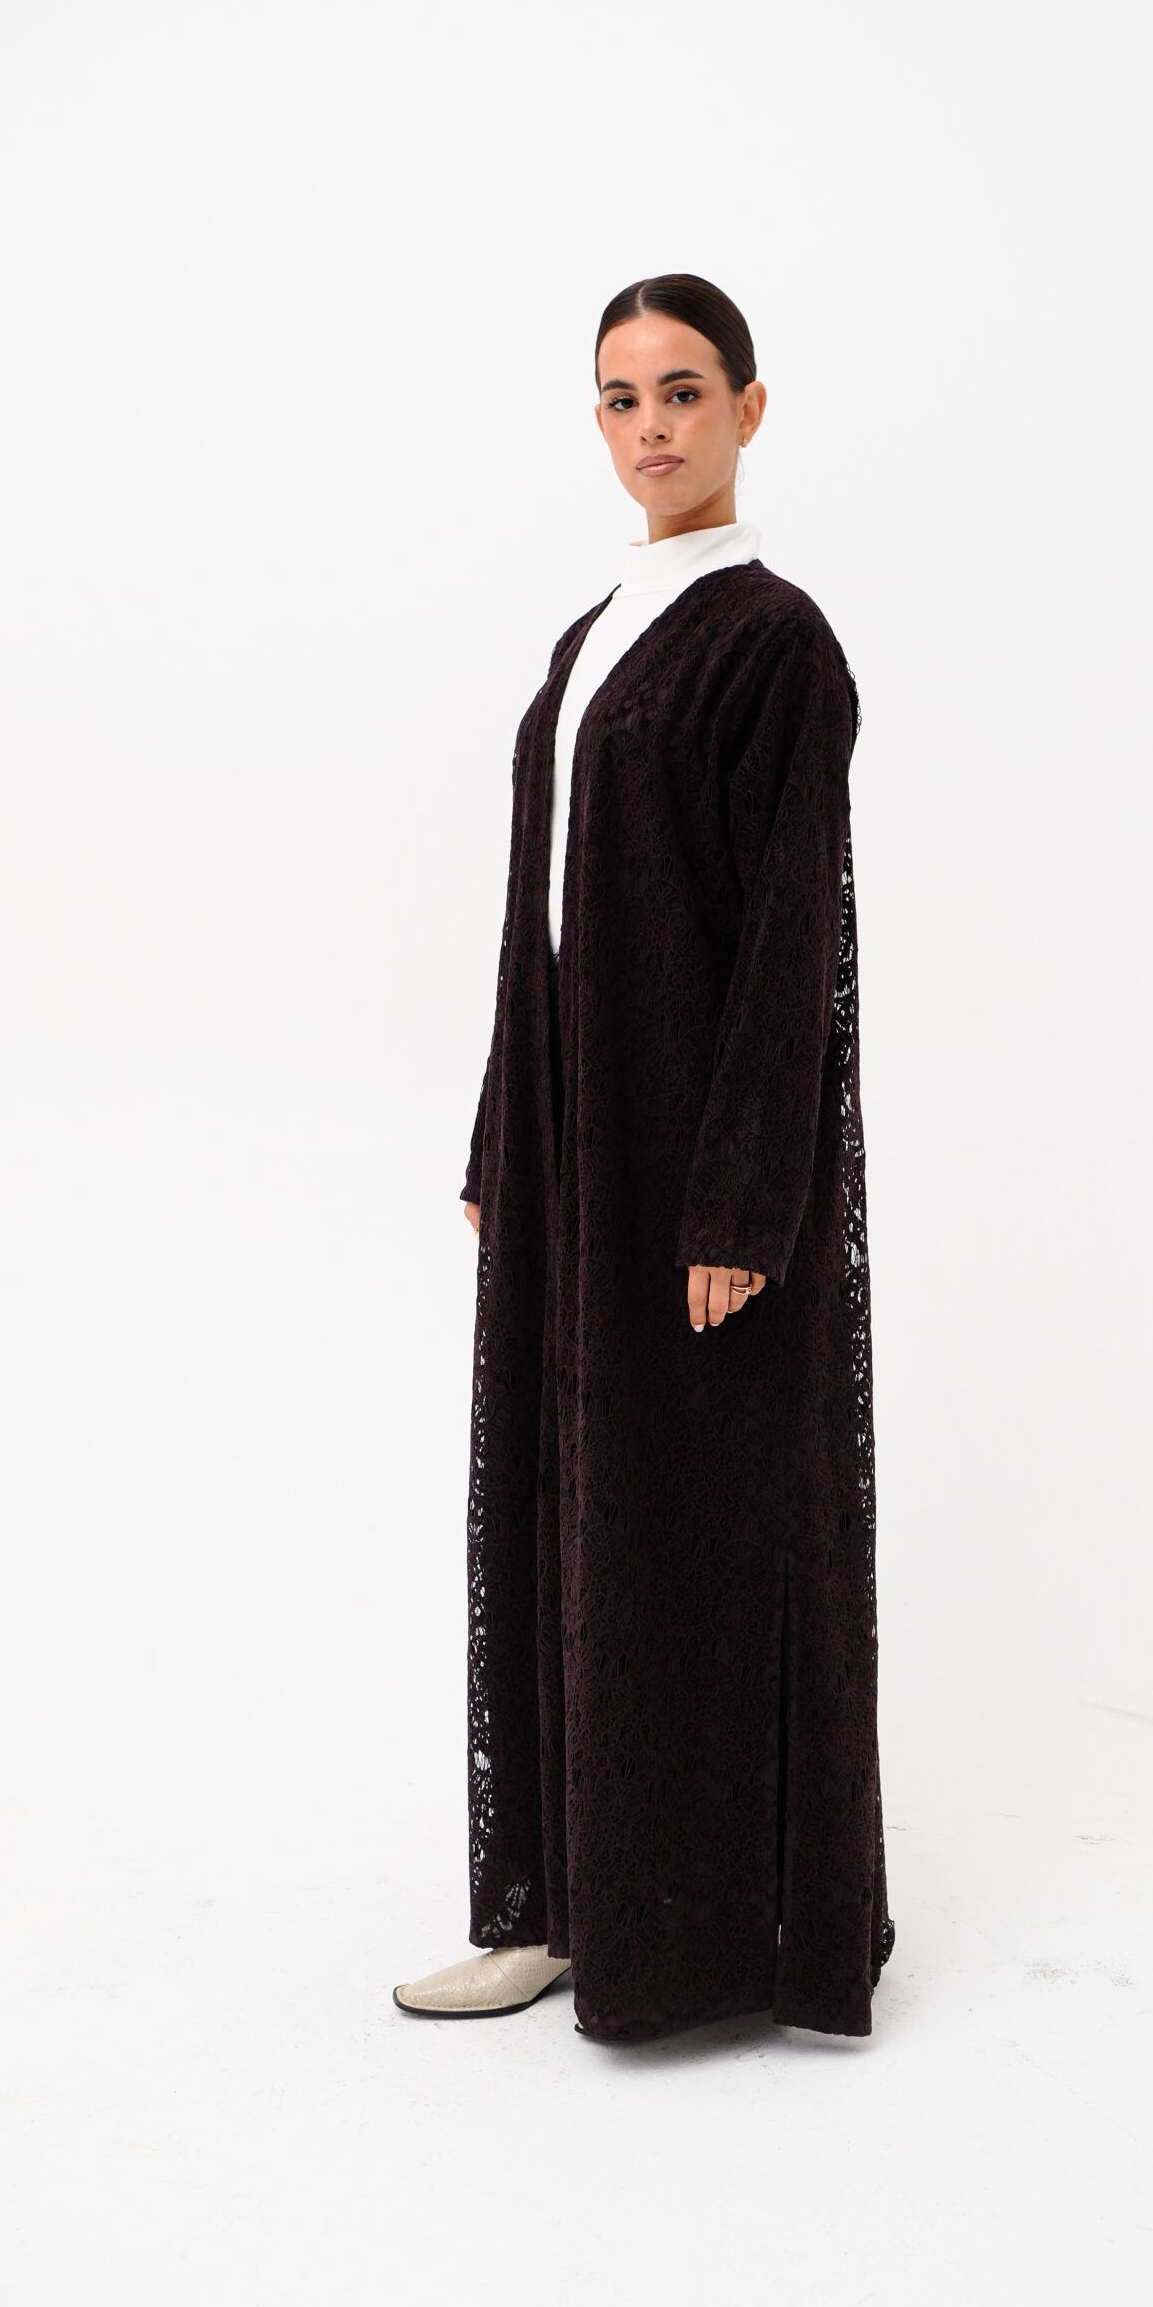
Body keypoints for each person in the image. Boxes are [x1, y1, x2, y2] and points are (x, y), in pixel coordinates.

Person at [394, 274, 893, 2040]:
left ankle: (712, 1940)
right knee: (560, 1501)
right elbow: (533, 922)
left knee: (697, 1526)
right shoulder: (590, 636)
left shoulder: (775, 640)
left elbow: (790, 940)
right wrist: (498, 1138)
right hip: (567, 1148)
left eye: (684, 391)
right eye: (621, 398)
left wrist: (745, 1196)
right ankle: (556, 1902)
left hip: (692, 1165)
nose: (653, 426)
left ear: (750, 409)